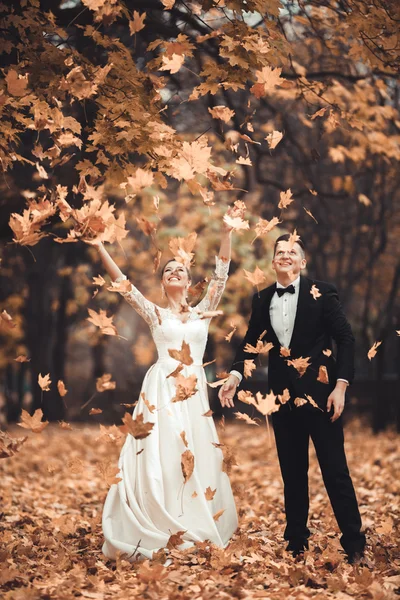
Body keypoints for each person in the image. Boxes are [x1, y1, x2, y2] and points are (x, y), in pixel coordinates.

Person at [91, 219, 238, 560]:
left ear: (188, 280)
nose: (174, 272)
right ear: (162, 281)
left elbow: (221, 275)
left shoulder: (203, 312)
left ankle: (192, 519)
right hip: (161, 392)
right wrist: (100, 247)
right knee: (162, 455)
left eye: (180, 269)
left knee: (194, 456)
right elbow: (123, 285)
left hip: (194, 395)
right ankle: (158, 519)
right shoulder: (155, 315)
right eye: (168, 269)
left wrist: (227, 233)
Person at [219, 233, 366, 564]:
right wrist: (235, 375)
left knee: (335, 470)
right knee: (293, 473)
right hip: (282, 398)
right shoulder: (262, 299)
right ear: (273, 262)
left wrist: (341, 385)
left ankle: (355, 544)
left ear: (302, 262)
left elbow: (346, 339)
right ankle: (297, 542)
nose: (285, 255)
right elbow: (249, 344)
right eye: (279, 251)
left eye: (292, 251)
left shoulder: (323, 293)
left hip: (322, 397)